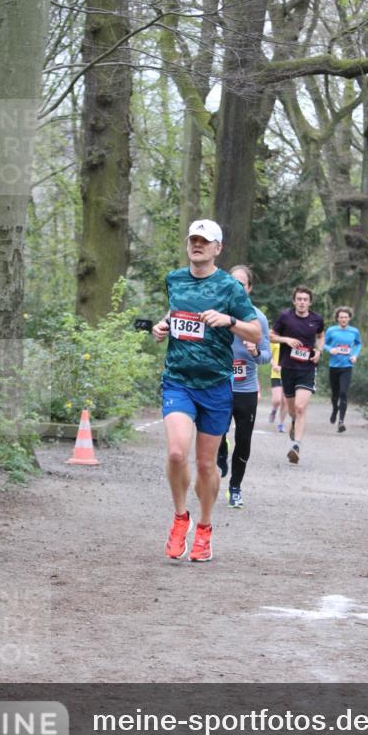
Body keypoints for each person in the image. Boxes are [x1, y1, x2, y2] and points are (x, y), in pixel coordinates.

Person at [152, 220, 261, 562]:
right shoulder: (174, 279)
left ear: (218, 248)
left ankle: (205, 527)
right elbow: (176, 315)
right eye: (193, 240)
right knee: (175, 452)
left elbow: (255, 333)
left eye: (204, 241)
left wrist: (229, 321)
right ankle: (180, 517)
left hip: (215, 386)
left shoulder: (230, 288)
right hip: (179, 381)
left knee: (206, 465)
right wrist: (163, 325)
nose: (197, 245)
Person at [216, 265, 271, 507]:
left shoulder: (258, 318)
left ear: (249, 289)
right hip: (219, 386)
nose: (237, 288)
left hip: (246, 390)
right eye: (233, 283)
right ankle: (221, 449)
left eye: (242, 284)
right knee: (217, 434)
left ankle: (235, 487)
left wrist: (256, 351)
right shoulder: (217, 314)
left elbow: (267, 356)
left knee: (244, 440)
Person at [270, 286, 324, 464]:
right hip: (288, 368)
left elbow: (321, 335)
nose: (302, 302)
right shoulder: (285, 317)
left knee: (301, 408)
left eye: (305, 299)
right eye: (299, 299)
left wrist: (319, 350)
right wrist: (286, 340)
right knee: (292, 410)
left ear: (310, 302)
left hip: (307, 369)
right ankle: (293, 421)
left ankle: (296, 445)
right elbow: (271, 336)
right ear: (294, 301)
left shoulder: (316, 319)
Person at [324, 306, 362, 432]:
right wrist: (330, 349)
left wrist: (355, 355)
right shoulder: (331, 331)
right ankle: (335, 408)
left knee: (343, 393)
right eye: (341, 317)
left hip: (347, 366)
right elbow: (323, 343)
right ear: (337, 318)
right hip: (334, 366)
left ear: (349, 318)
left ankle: (341, 422)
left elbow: (358, 343)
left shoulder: (354, 331)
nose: (343, 319)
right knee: (335, 394)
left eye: (346, 317)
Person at [268, 341, 288, 431]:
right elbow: (269, 356)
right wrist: (274, 365)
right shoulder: (275, 341)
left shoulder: (291, 341)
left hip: (288, 374)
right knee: (277, 400)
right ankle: (274, 410)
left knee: (285, 401)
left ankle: (281, 424)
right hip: (276, 374)